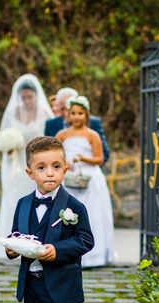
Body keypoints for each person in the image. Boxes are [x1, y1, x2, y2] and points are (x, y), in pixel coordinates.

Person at [6, 136, 94, 303]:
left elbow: (85, 240)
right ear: (30, 172)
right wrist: (12, 248)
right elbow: (17, 233)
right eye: (42, 168)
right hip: (31, 283)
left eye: (56, 166)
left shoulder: (74, 207)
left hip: (59, 283)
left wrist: (58, 250)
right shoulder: (22, 204)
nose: (50, 173)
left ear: (65, 168)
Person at [0, 74, 54, 257]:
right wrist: (9, 146)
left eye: (30, 97)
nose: (27, 101)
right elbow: (4, 135)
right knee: (14, 200)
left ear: (36, 96)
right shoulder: (13, 113)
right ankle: (13, 241)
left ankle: (35, 241)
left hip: (36, 163)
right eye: (24, 97)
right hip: (15, 164)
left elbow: (51, 141)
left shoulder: (44, 114)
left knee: (36, 200)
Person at [56, 95, 116, 268]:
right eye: (73, 113)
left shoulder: (92, 135)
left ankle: (94, 257)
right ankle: (64, 253)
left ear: (86, 115)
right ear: (68, 114)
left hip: (89, 177)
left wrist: (83, 158)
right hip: (69, 176)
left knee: (93, 214)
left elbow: (99, 158)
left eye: (80, 113)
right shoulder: (62, 134)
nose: (76, 117)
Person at [44, 87, 110, 165]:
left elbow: (104, 154)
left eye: (79, 113)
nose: (75, 116)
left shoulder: (93, 125)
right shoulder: (52, 125)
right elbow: (50, 153)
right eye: (62, 109)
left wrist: (89, 166)